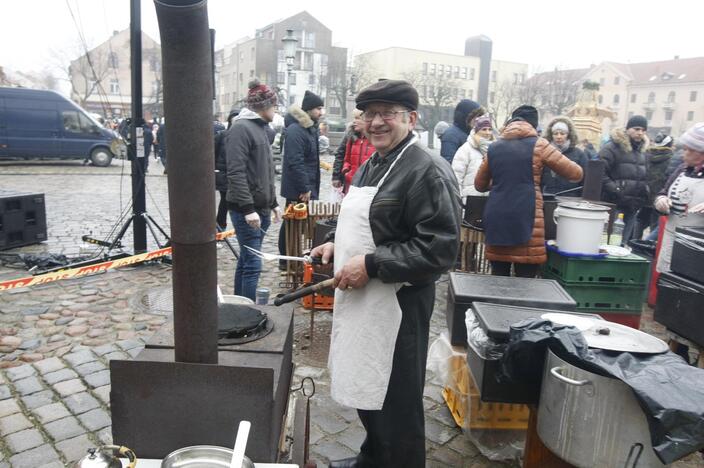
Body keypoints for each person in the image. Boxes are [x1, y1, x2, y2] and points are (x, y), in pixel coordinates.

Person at [311, 80, 461, 468]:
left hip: (400, 302)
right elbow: (365, 219)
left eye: (387, 114)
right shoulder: (373, 162)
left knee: (397, 400)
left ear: (411, 118)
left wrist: (372, 264)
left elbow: (439, 249)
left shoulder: (427, 170)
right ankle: (373, 457)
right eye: (370, 114)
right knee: (370, 386)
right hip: (365, 297)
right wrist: (333, 243)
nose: (376, 122)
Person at [475, 105, 583, 277]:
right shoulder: (540, 145)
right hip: (527, 218)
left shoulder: (494, 147)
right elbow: (575, 173)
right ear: (534, 124)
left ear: (512, 121)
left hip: (498, 220)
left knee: (496, 283)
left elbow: (479, 185)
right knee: (525, 284)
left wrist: (502, 181)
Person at [225, 79, 281, 300]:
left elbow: (265, 172)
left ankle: (240, 303)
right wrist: (248, 209)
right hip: (245, 210)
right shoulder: (241, 129)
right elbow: (236, 172)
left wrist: (274, 202)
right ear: (264, 106)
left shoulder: (261, 129)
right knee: (253, 265)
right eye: (274, 106)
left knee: (247, 261)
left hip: (261, 208)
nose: (276, 110)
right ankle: (248, 309)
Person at [278, 90, 324, 263]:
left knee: (296, 223)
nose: (321, 112)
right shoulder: (296, 130)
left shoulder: (309, 129)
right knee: (290, 222)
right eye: (318, 108)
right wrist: (305, 188)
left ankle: (291, 255)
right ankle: (285, 259)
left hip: (304, 186)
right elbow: (295, 161)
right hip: (297, 188)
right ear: (309, 109)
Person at [653, 123, 704, 273]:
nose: (684, 153)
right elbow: (662, 193)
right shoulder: (681, 169)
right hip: (671, 239)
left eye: (690, 150)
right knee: (667, 281)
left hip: (698, 246)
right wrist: (660, 202)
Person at [599, 115, 650, 245]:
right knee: (608, 243)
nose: (640, 133)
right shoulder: (611, 147)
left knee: (622, 244)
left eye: (643, 130)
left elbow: (644, 176)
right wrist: (615, 189)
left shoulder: (642, 152)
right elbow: (600, 173)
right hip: (614, 204)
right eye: (636, 129)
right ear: (627, 129)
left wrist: (645, 191)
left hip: (633, 205)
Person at [634, 133, 674, 240]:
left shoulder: (646, 155)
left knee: (640, 220)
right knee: (655, 224)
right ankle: (650, 248)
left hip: (645, 194)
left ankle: (634, 243)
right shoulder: (671, 158)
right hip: (659, 198)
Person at [332, 109, 376, 194]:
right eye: (354, 118)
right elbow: (343, 157)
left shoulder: (376, 139)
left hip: (368, 185)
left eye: (357, 118)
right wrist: (345, 171)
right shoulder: (351, 137)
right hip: (351, 183)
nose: (354, 121)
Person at [541, 116, 588, 197]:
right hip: (548, 197)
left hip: (571, 199)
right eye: (555, 133)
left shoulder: (579, 154)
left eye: (562, 133)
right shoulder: (545, 153)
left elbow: (586, 180)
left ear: (568, 135)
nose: (559, 136)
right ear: (551, 135)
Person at [451, 114, 494, 197]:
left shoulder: (495, 150)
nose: (487, 132)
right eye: (484, 129)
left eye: (490, 129)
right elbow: (456, 177)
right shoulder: (465, 150)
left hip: (489, 200)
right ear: (476, 131)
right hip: (469, 200)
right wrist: (458, 200)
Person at [214, 109, 240, 230]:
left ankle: (222, 226)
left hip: (237, 173)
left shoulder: (242, 136)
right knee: (225, 201)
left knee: (233, 201)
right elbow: (213, 153)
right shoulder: (222, 135)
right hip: (223, 174)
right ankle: (220, 226)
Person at [439, 99, 482, 163]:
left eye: (479, 117)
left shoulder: (470, 133)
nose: (478, 120)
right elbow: (448, 163)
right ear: (465, 117)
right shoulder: (451, 135)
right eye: (475, 117)